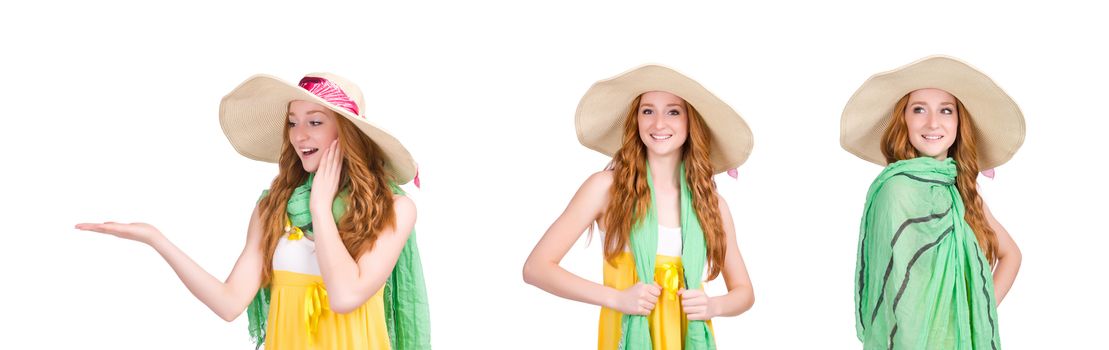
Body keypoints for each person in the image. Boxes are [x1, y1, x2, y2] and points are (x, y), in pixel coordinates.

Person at [76, 73, 430, 349]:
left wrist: (320, 207)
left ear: (348, 132)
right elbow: (230, 303)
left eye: (315, 122)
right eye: (293, 121)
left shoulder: (395, 209)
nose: (299, 135)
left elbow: (345, 296)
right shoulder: (273, 207)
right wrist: (156, 239)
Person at [523, 65, 755, 350]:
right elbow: (536, 267)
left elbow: (744, 292)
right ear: (636, 120)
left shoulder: (711, 203)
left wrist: (712, 306)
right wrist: (617, 299)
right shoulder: (605, 188)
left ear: (690, 122)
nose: (659, 124)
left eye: (673, 111)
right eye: (647, 111)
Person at [842, 56, 1023, 349]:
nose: (933, 122)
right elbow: (895, 286)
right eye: (919, 109)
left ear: (958, 122)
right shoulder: (895, 190)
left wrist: (975, 309)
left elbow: (1011, 255)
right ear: (904, 120)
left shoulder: (963, 191)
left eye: (946, 110)